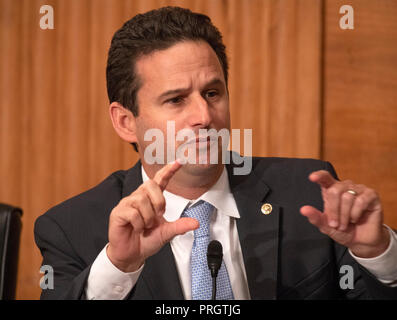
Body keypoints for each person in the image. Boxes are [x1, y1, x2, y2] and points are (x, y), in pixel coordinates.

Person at [34, 6, 397, 300]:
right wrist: (120, 267)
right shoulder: (72, 229)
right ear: (126, 121)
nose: (205, 117)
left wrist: (378, 253)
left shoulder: (307, 194)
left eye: (212, 93)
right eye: (176, 100)